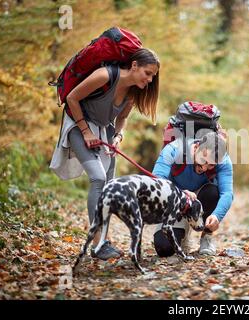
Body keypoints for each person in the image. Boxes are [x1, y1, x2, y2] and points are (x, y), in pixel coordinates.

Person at [50, 48, 160, 260]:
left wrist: (118, 136)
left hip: (104, 129)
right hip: (77, 124)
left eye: (153, 76)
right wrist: (85, 131)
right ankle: (98, 243)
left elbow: (123, 119)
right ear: (134, 65)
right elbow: (72, 99)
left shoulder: (132, 92)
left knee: (108, 185)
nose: (150, 79)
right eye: (148, 73)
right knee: (98, 178)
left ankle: (104, 242)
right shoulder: (105, 75)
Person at [152, 130, 234, 257]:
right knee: (164, 249)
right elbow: (157, 182)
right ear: (196, 147)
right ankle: (183, 231)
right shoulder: (174, 149)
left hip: (201, 196)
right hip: (174, 198)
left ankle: (206, 236)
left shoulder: (224, 161)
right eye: (203, 159)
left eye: (211, 165)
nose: (204, 168)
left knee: (213, 192)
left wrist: (217, 216)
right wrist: (180, 193)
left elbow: (227, 193)